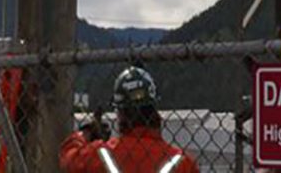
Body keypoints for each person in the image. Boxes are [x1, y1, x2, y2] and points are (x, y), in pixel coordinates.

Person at [59, 66, 199, 173]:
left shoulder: (102, 154)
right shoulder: (182, 163)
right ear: (154, 109)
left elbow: (68, 158)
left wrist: (85, 133)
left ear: (120, 113)